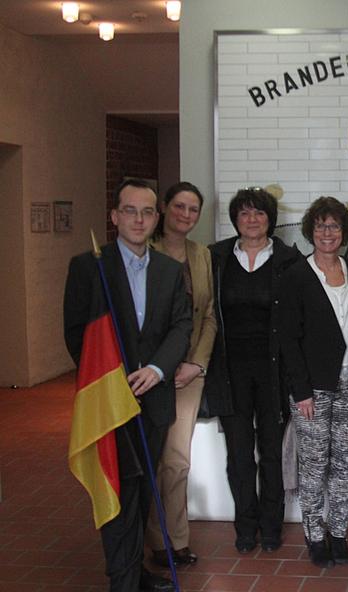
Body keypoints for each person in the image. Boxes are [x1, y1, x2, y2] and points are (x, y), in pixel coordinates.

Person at [64, 178, 192, 592]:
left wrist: (156, 369)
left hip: (152, 398)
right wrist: (105, 381)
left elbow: (181, 327)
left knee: (142, 486)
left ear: (157, 219)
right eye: (130, 210)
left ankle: (134, 571)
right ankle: (122, 580)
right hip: (108, 400)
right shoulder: (90, 266)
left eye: (147, 211)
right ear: (115, 215)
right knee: (117, 489)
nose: (139, 219)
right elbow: (75, 333)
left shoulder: (171, 271)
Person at [204, 187, 302, 554]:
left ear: (270, 219)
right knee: (239, 454)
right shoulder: (216, 258)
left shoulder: (289, 260)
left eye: (259, 213)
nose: (252, 219)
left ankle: (271, 525)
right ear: (235, 220)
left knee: (273, 453)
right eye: (244, 213)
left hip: (274, 373)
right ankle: (245, 526)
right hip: (230, 372)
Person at [283, 196, 348, 567]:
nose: (327, 232)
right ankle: (315, 535)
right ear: (310, 231)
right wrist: (300, 391)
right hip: (312, 389)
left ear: (344, 231)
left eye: (333, 226)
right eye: (320, 226)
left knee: (343, 463)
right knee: (315, 465)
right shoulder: (296, 275)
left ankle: (337, 532)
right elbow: (287, 338)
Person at [145, 182, 217, 567]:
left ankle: (176, 539)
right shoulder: (144, 251)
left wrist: (197, 363)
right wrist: (157, 366)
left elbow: (207, 315)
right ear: (164, 209)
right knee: (149, 457)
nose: (186, 216)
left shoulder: (200, 254)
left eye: (193, 210)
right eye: (179, 207)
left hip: (189, 372)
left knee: (176, 460)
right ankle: (152, 539)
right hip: (148, 373)